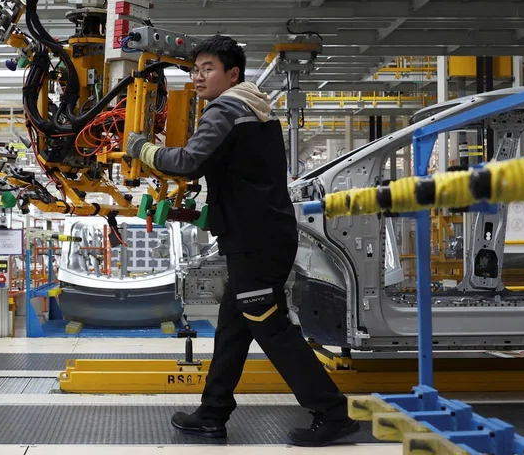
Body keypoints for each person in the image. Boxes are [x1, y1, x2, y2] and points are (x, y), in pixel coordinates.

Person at [125, 35, 357, 446]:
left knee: (270, 326)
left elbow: (187, 162)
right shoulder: (255, 110)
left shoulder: (226, 109)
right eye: (195, 69)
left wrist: (141, 148)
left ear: (232, 74)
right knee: (233, 328)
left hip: (255, 240)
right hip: (260, 235)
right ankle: (212, 414)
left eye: (208, 68)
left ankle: (331, 412)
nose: (198, 76)